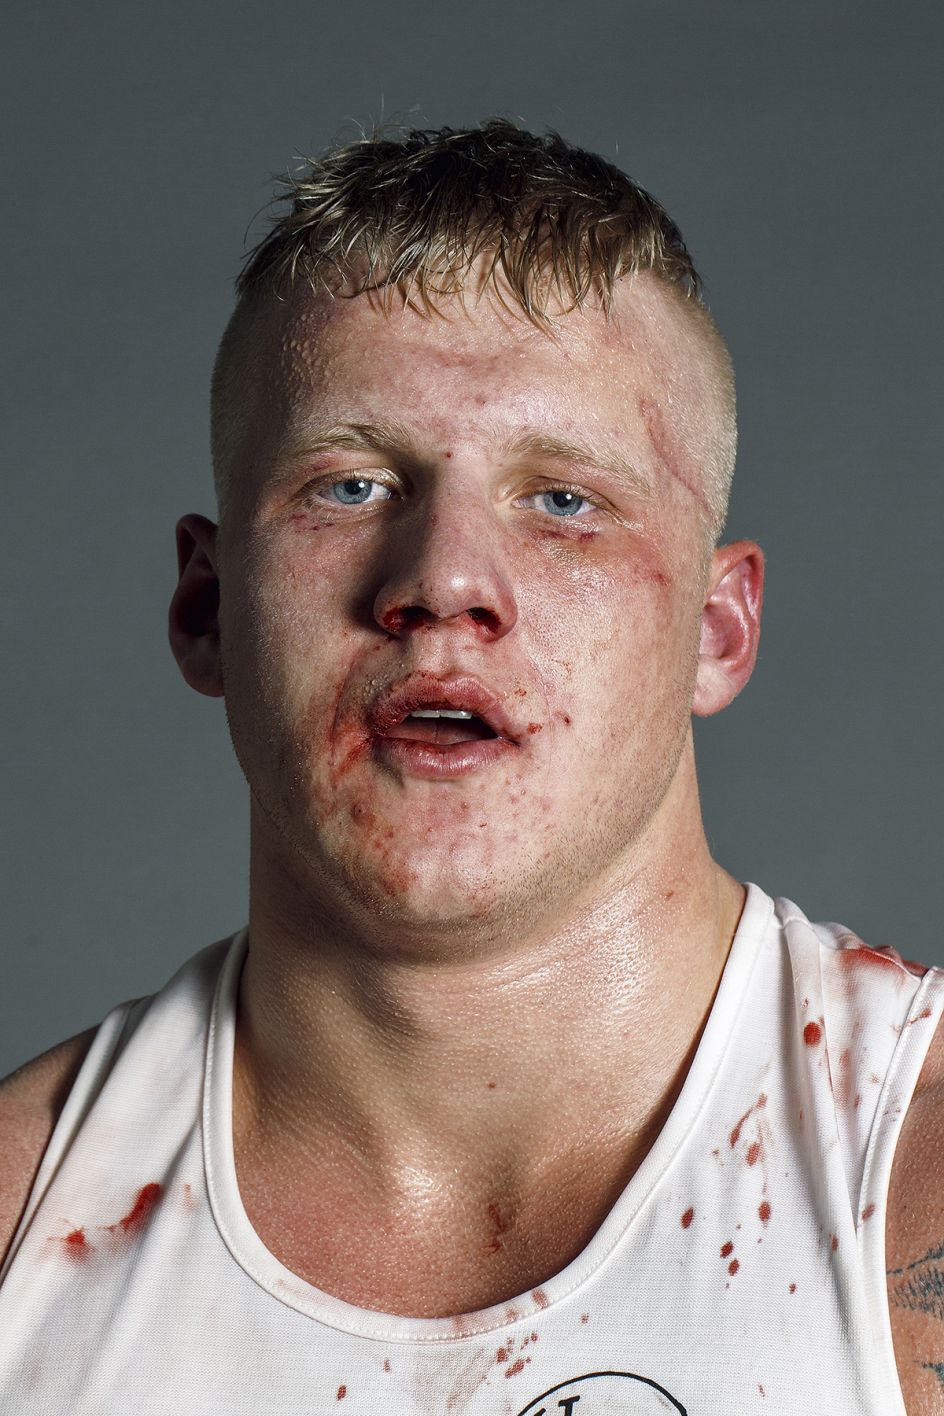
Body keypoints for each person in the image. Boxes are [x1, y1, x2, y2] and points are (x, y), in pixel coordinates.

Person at [0, 119, 941, 1416]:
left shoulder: (914, 1183)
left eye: (563, 500)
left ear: (718, 631)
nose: (441, 582)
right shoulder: (21, 1231)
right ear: (207, 608)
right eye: (350, 486)